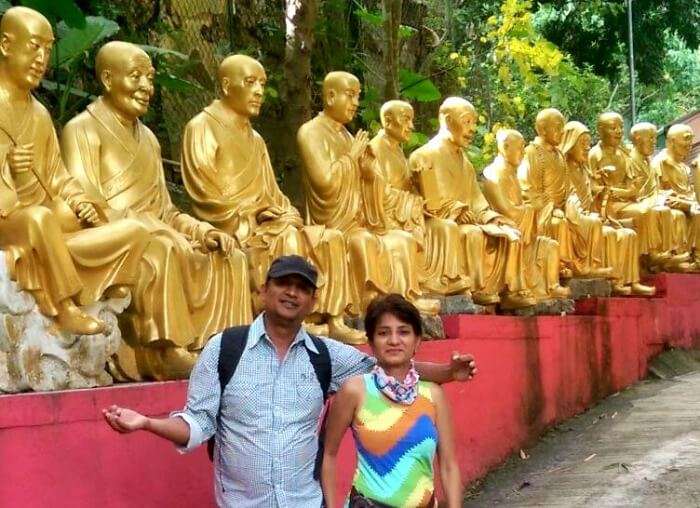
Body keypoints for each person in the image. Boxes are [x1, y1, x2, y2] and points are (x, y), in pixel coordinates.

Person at [102, 255, 477, 508]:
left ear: (312, 300)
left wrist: (447, 373)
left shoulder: (325, 356)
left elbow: (389, 363)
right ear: (264, 290)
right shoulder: (224, 349)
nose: (292, 292)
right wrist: (147, 423)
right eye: (283, 283)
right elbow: (198, 423)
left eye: (302, 287)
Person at [321, 294, 462, 508]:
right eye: (383, 333)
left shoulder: (433, 395)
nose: (394, 340)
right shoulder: (355, 390)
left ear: (417, 341)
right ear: (371, 342)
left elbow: (449, 465)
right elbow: (329, 455)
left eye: (404, 332)